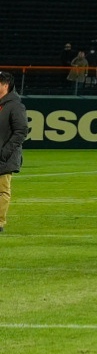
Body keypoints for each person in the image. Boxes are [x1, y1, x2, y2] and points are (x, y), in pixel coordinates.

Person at [0, 67, 23, 238]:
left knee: (2, 190)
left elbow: (21, 131)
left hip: (4, 157)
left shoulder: (15, 105)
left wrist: (4, 152)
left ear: (5, 85)